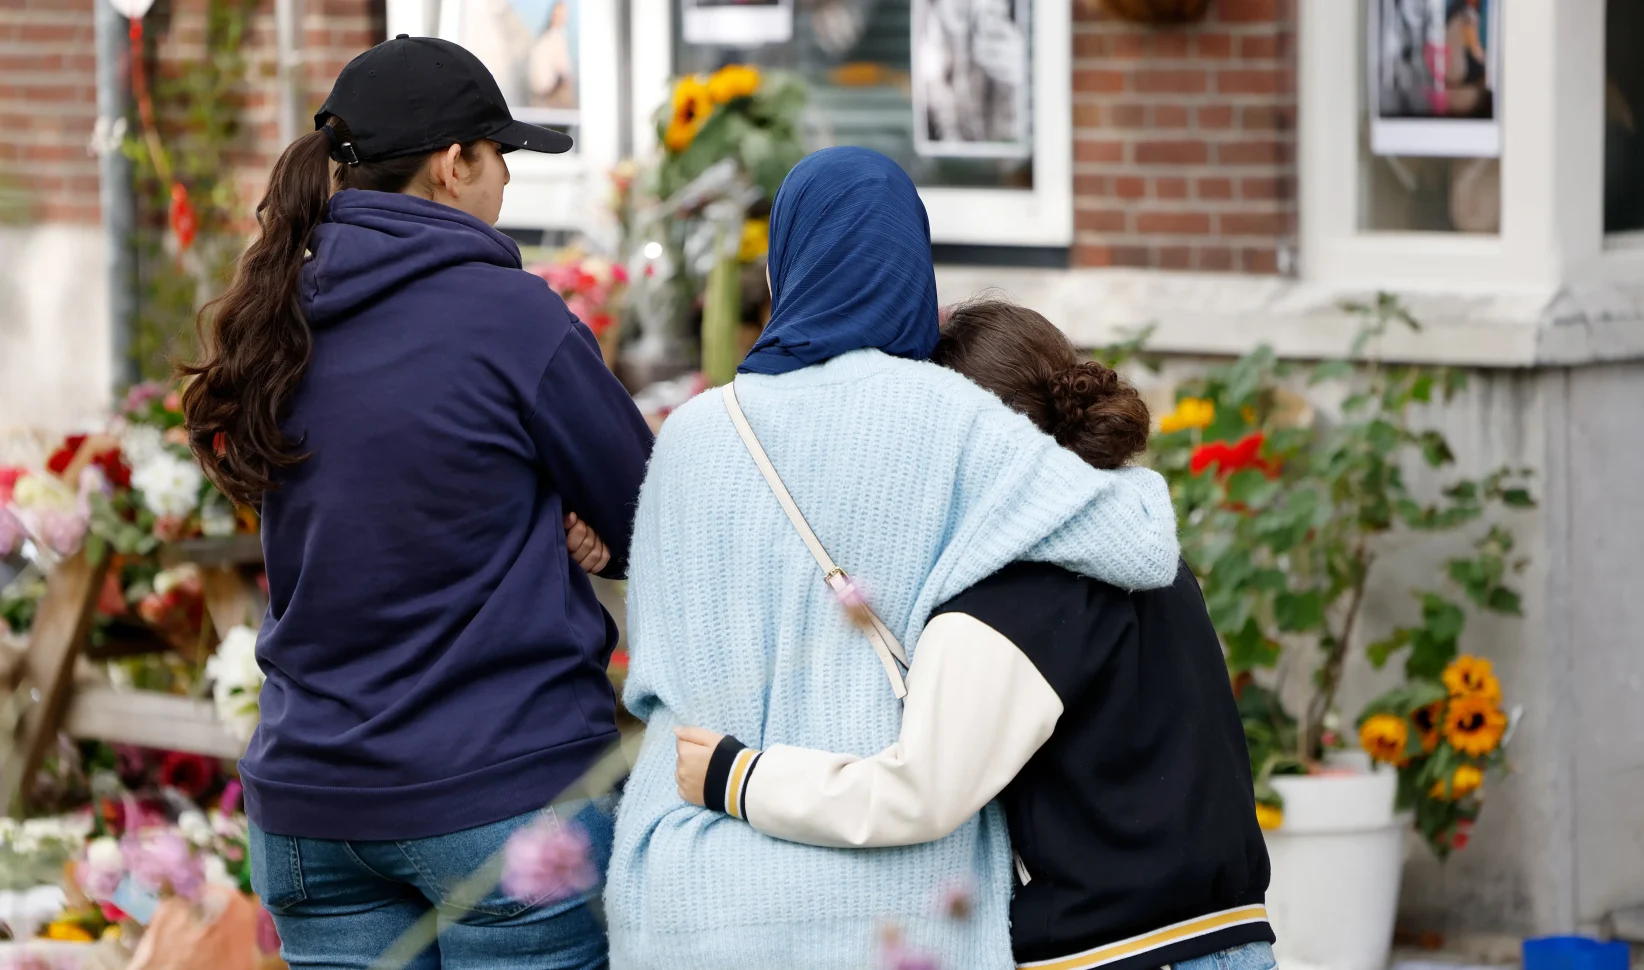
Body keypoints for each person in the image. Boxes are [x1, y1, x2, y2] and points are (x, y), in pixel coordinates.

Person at [602, 147, 1182, 970]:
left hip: (690, 889)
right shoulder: (949, 421)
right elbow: (1141, 539)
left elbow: (650, 665)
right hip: (888, 909)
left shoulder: (693, 435)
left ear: (784, 267)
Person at [180, 35, 652, 970]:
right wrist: (592, 530)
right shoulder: (513, 319)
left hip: (313, 809)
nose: (507, 184)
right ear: (452, 165)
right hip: (502, 801)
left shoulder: (277, 316)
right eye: (501, 156)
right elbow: (653, 511)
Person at [673, 300, 1275, 970]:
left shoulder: (1013, 595)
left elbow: (918, 793)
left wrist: (738, 776)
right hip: (1233, 940)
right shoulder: (1143, 547)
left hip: (1115, 953)